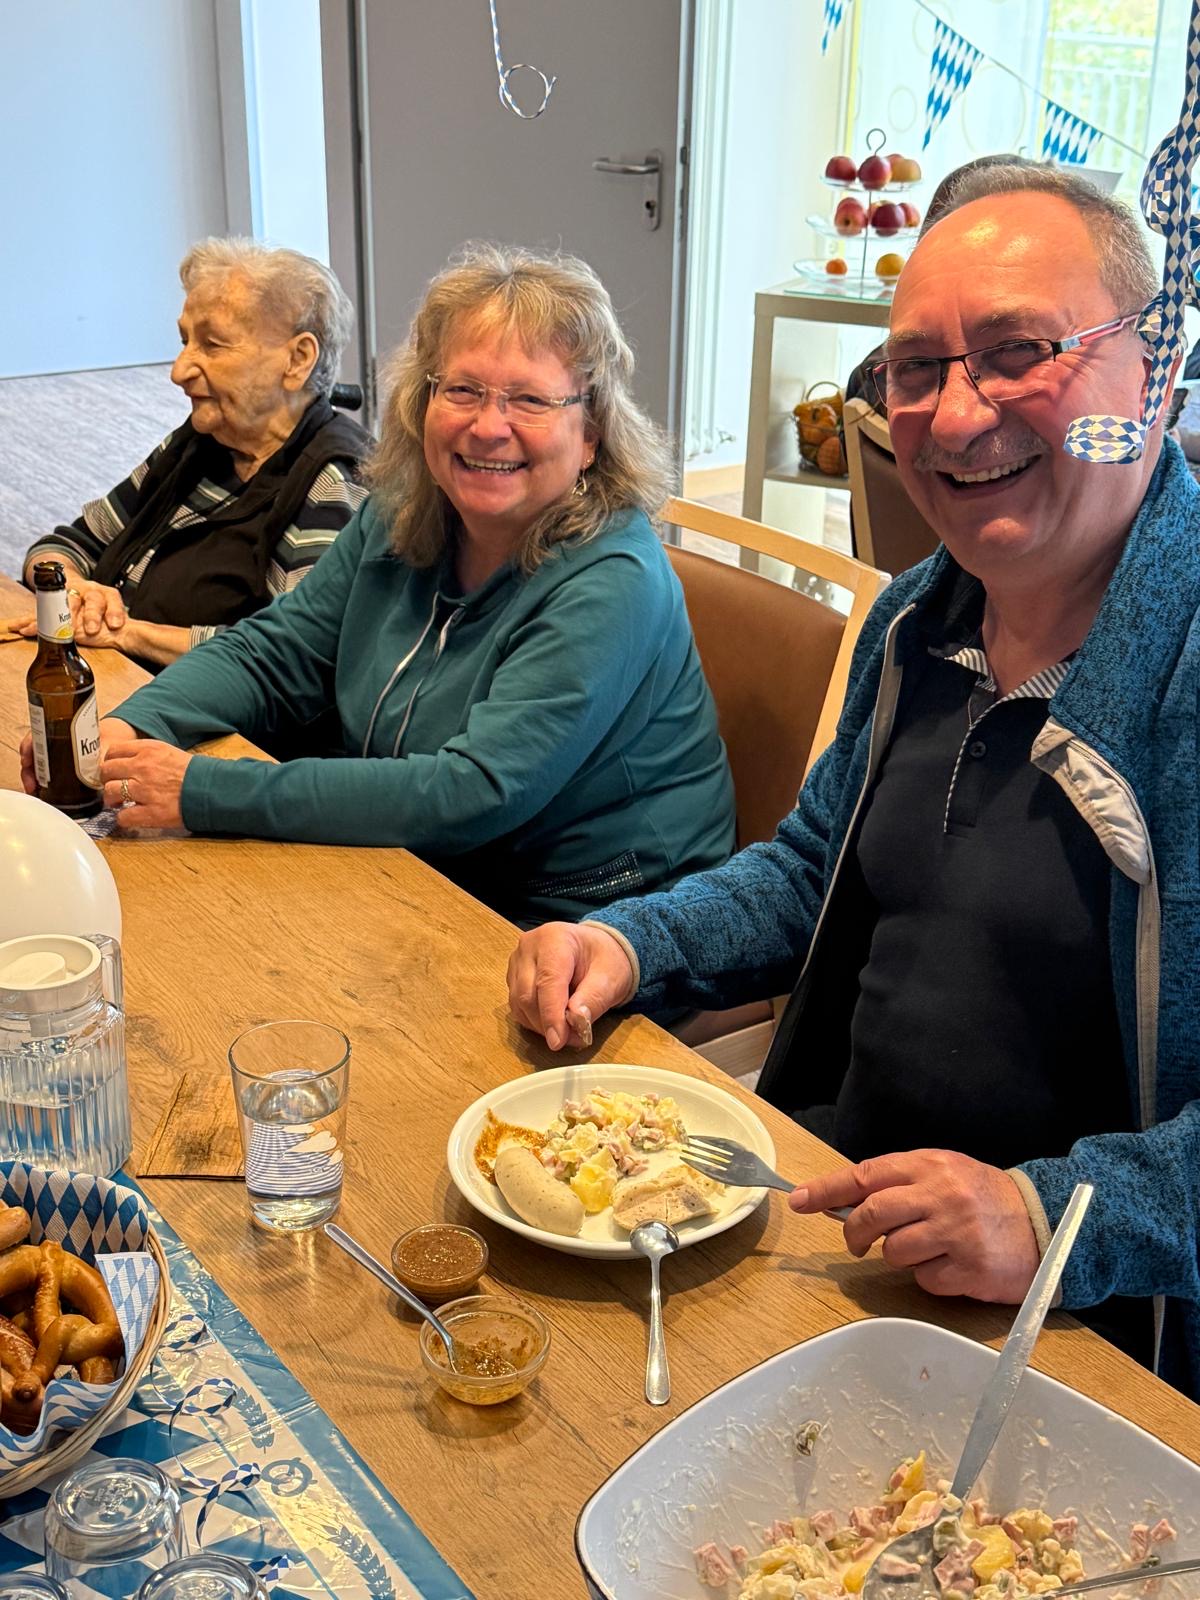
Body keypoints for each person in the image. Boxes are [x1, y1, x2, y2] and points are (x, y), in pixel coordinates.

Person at [508, 165, 1200, 1400]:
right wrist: (628, 943)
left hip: (1084, 1342)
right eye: (914, 371)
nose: (954, 413)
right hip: (815, 1227)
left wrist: (1049, 1217)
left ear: (1153, 363)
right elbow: (810, 874)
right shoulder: (913, 623)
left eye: (1017, 351)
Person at [20, 245, 734, 926]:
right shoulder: (403, 511)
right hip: (425, 866)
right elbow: (274, 653)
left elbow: (472, 794)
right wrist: (125, 729)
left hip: (587, 917)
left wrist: (201, 790)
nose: (489, 426)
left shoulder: (614, 578)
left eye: (530, 400)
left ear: (591, 434)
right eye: (462, 389)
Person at [6, 237, 370, 668]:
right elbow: (67, 544)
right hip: (111, 678)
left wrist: (126, 633)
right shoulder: (201, 443)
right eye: (185, 342)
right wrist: (72, 590)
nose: (179, 371)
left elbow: (291, 654)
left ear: (297, 359)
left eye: (213, 345)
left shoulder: (330, 486)